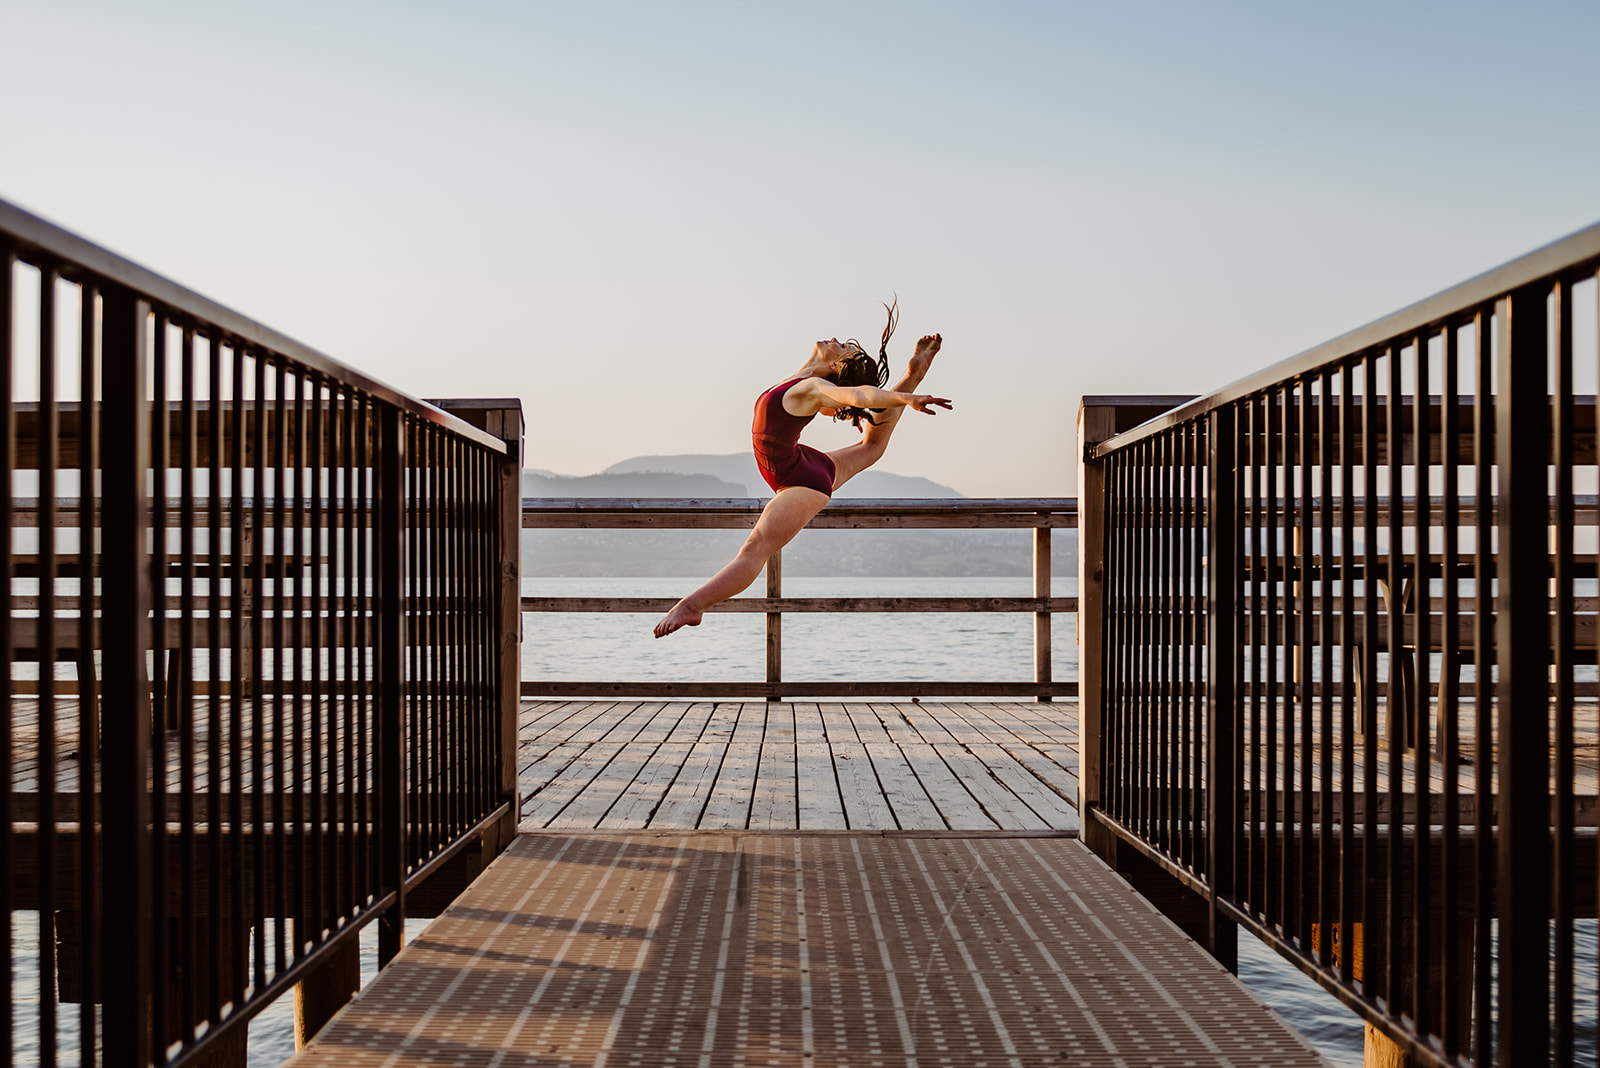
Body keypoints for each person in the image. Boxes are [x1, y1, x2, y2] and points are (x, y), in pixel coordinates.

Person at [654, 302, 950, 638]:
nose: (836, 339)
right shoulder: (801, 382)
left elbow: (857, 395)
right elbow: (852, 400)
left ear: (838, 364)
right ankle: (913, 374)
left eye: (843, 346)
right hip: (805, 467)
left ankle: (693, 606)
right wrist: (901, 391)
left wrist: (904, 401)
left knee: (755, 548)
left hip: (800, 480)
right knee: (870, 448)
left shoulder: (810, 388)